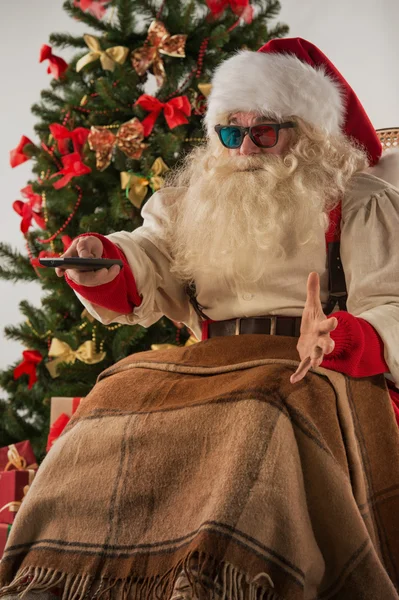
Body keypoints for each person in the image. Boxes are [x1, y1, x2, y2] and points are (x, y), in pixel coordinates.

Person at [1, 38, 399, 600]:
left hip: (319, 366)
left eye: (262, 132)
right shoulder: (193, 203)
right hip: (211, 361)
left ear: (306, 133)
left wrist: (344, 333)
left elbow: (394, 307)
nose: (243, 149)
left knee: (261, 416)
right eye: (230, 133)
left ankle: (221, 578)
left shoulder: (357, 200)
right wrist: (101, 258)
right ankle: (62, 576)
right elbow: (147, 256)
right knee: (115, 395)